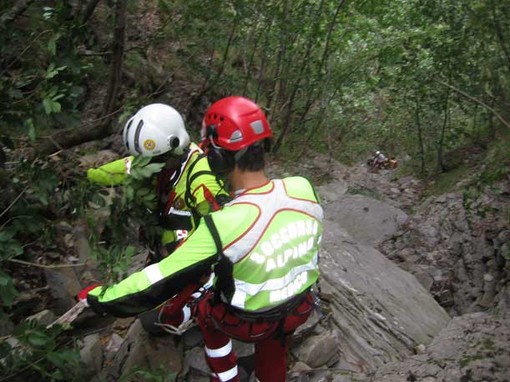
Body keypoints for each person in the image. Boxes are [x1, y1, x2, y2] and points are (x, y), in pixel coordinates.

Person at [79, 96, 324, 381]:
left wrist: (100, 298)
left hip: (247, 321)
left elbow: (158, 279)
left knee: (208, 313)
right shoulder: (303, 188)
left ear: (217, 157)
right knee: (275, 345)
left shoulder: (224, 224)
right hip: (299, 307)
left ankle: (226, 376)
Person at [86, 103, 229, 333]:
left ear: (174, 148)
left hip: (195, 262)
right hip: (165, 250)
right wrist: (85, 176)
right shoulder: (156, 161)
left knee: (155, 321)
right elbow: (126, 168)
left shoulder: (202, 179)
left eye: (151, 161)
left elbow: (225, 238)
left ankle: (202, 302)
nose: (145, 166)